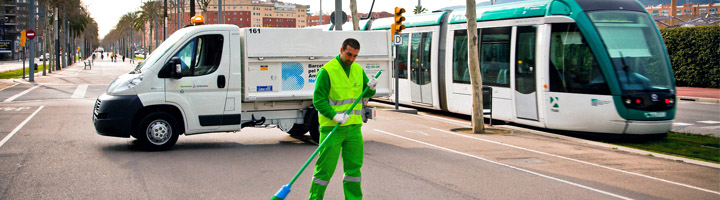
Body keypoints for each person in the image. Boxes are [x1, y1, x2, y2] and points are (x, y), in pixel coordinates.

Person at [309, 38, 378, 200]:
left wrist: (372, 88)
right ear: (341, 50)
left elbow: (365, 94)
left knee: (354, 170)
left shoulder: (357, 70)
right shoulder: (327, 72)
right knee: (324, 170)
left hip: (354, 129)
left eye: (355, 56)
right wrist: (334, 115)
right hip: (332, 129)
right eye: (349, 54)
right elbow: (318, 100)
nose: (351, 59)